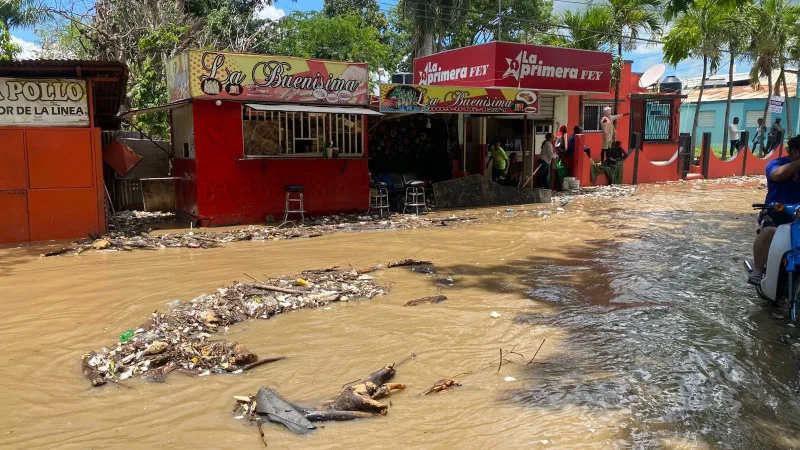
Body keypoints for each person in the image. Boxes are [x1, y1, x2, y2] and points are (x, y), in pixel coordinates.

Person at [749, 135, 800, 286]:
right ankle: (757, 271)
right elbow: (778, 175)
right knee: (769, 230)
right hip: (777, 211)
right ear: (794, 152)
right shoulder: (776, 164)